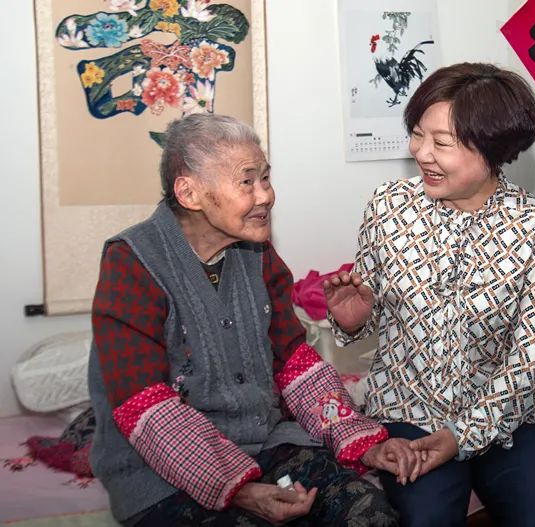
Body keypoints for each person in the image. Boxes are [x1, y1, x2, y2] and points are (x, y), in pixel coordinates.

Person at [87, 113, 415, 526]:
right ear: (189, 192)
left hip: (265, 444)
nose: (266, 196)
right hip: (159, 474)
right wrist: (239, 489)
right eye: (247, 182)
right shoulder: (132, 263)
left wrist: (361, 442)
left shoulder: (257, 254)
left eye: (265, 178)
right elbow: (144, 403)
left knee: (371, 515)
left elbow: (294, 364)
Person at [325, 62, 535, 527]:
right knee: (425, 519)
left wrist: (461, 436)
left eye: (442, 143)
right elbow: (370, 315)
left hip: (506, 416)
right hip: (408, 410)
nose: (421, 153)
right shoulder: (389, 208)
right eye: (418, 135)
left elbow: (531, 360)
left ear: (492, 149)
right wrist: (353, 319)